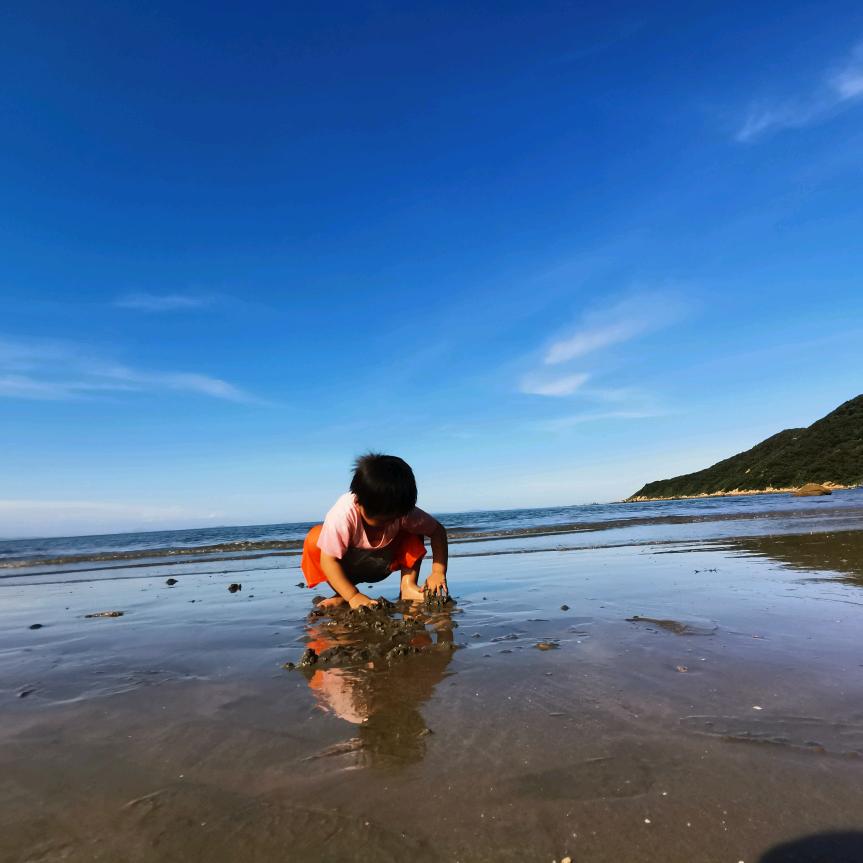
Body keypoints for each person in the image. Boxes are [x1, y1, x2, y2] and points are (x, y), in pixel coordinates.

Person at [301, 453, 449, 609]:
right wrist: (353, 596)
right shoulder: (342, 515)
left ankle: (407, 586)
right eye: (382, 520)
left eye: (395, 518)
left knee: (415, 528)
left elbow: (437, 531)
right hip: (347, 568)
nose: (389, 523)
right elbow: (328, 561)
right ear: (358, 503)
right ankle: (343, 594)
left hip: (384, 564)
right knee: (316, 538)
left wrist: (438, 572)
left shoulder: (401, 511)